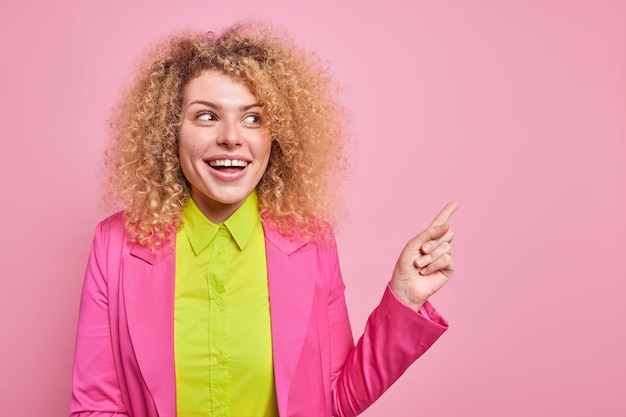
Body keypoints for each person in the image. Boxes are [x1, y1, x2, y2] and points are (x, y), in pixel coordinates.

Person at [69, 21, 458, 417]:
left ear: (278, 136)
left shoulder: (312, 243)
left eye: (253, 118)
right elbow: (96, 407)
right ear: (171, 131)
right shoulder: (114, 244)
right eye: (206, 116)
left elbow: (334, 400)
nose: (232, 137)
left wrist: (404, 300)